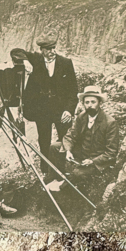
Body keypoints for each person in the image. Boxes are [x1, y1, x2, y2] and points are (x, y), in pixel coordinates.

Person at [49, 85, 119, 199]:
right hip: (82, 152)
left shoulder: (110, 122)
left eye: (93, 102)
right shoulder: (81, 117)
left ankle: (62, 190)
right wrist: (68, 150)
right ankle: (56, 178)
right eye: (86, 102)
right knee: (54, 147)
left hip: (97, 159)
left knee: (78, 173)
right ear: (83, 103)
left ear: (99, 102)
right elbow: (70, 135)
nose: (90, 105)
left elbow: (111, 153)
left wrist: (92, 161)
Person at [23, 35, 77, 178]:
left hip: (61, 110)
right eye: (48, 49)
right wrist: (24, 61)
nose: (52, 51)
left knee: (65, 138)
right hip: (42, 110)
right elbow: (15, 52)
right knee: (44, 140)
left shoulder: (65, 63)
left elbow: (73, 90)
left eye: (53, 48)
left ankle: (65, 169)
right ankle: (46, 171)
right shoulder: (36, 60)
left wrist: (69, 110)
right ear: (42, 50)